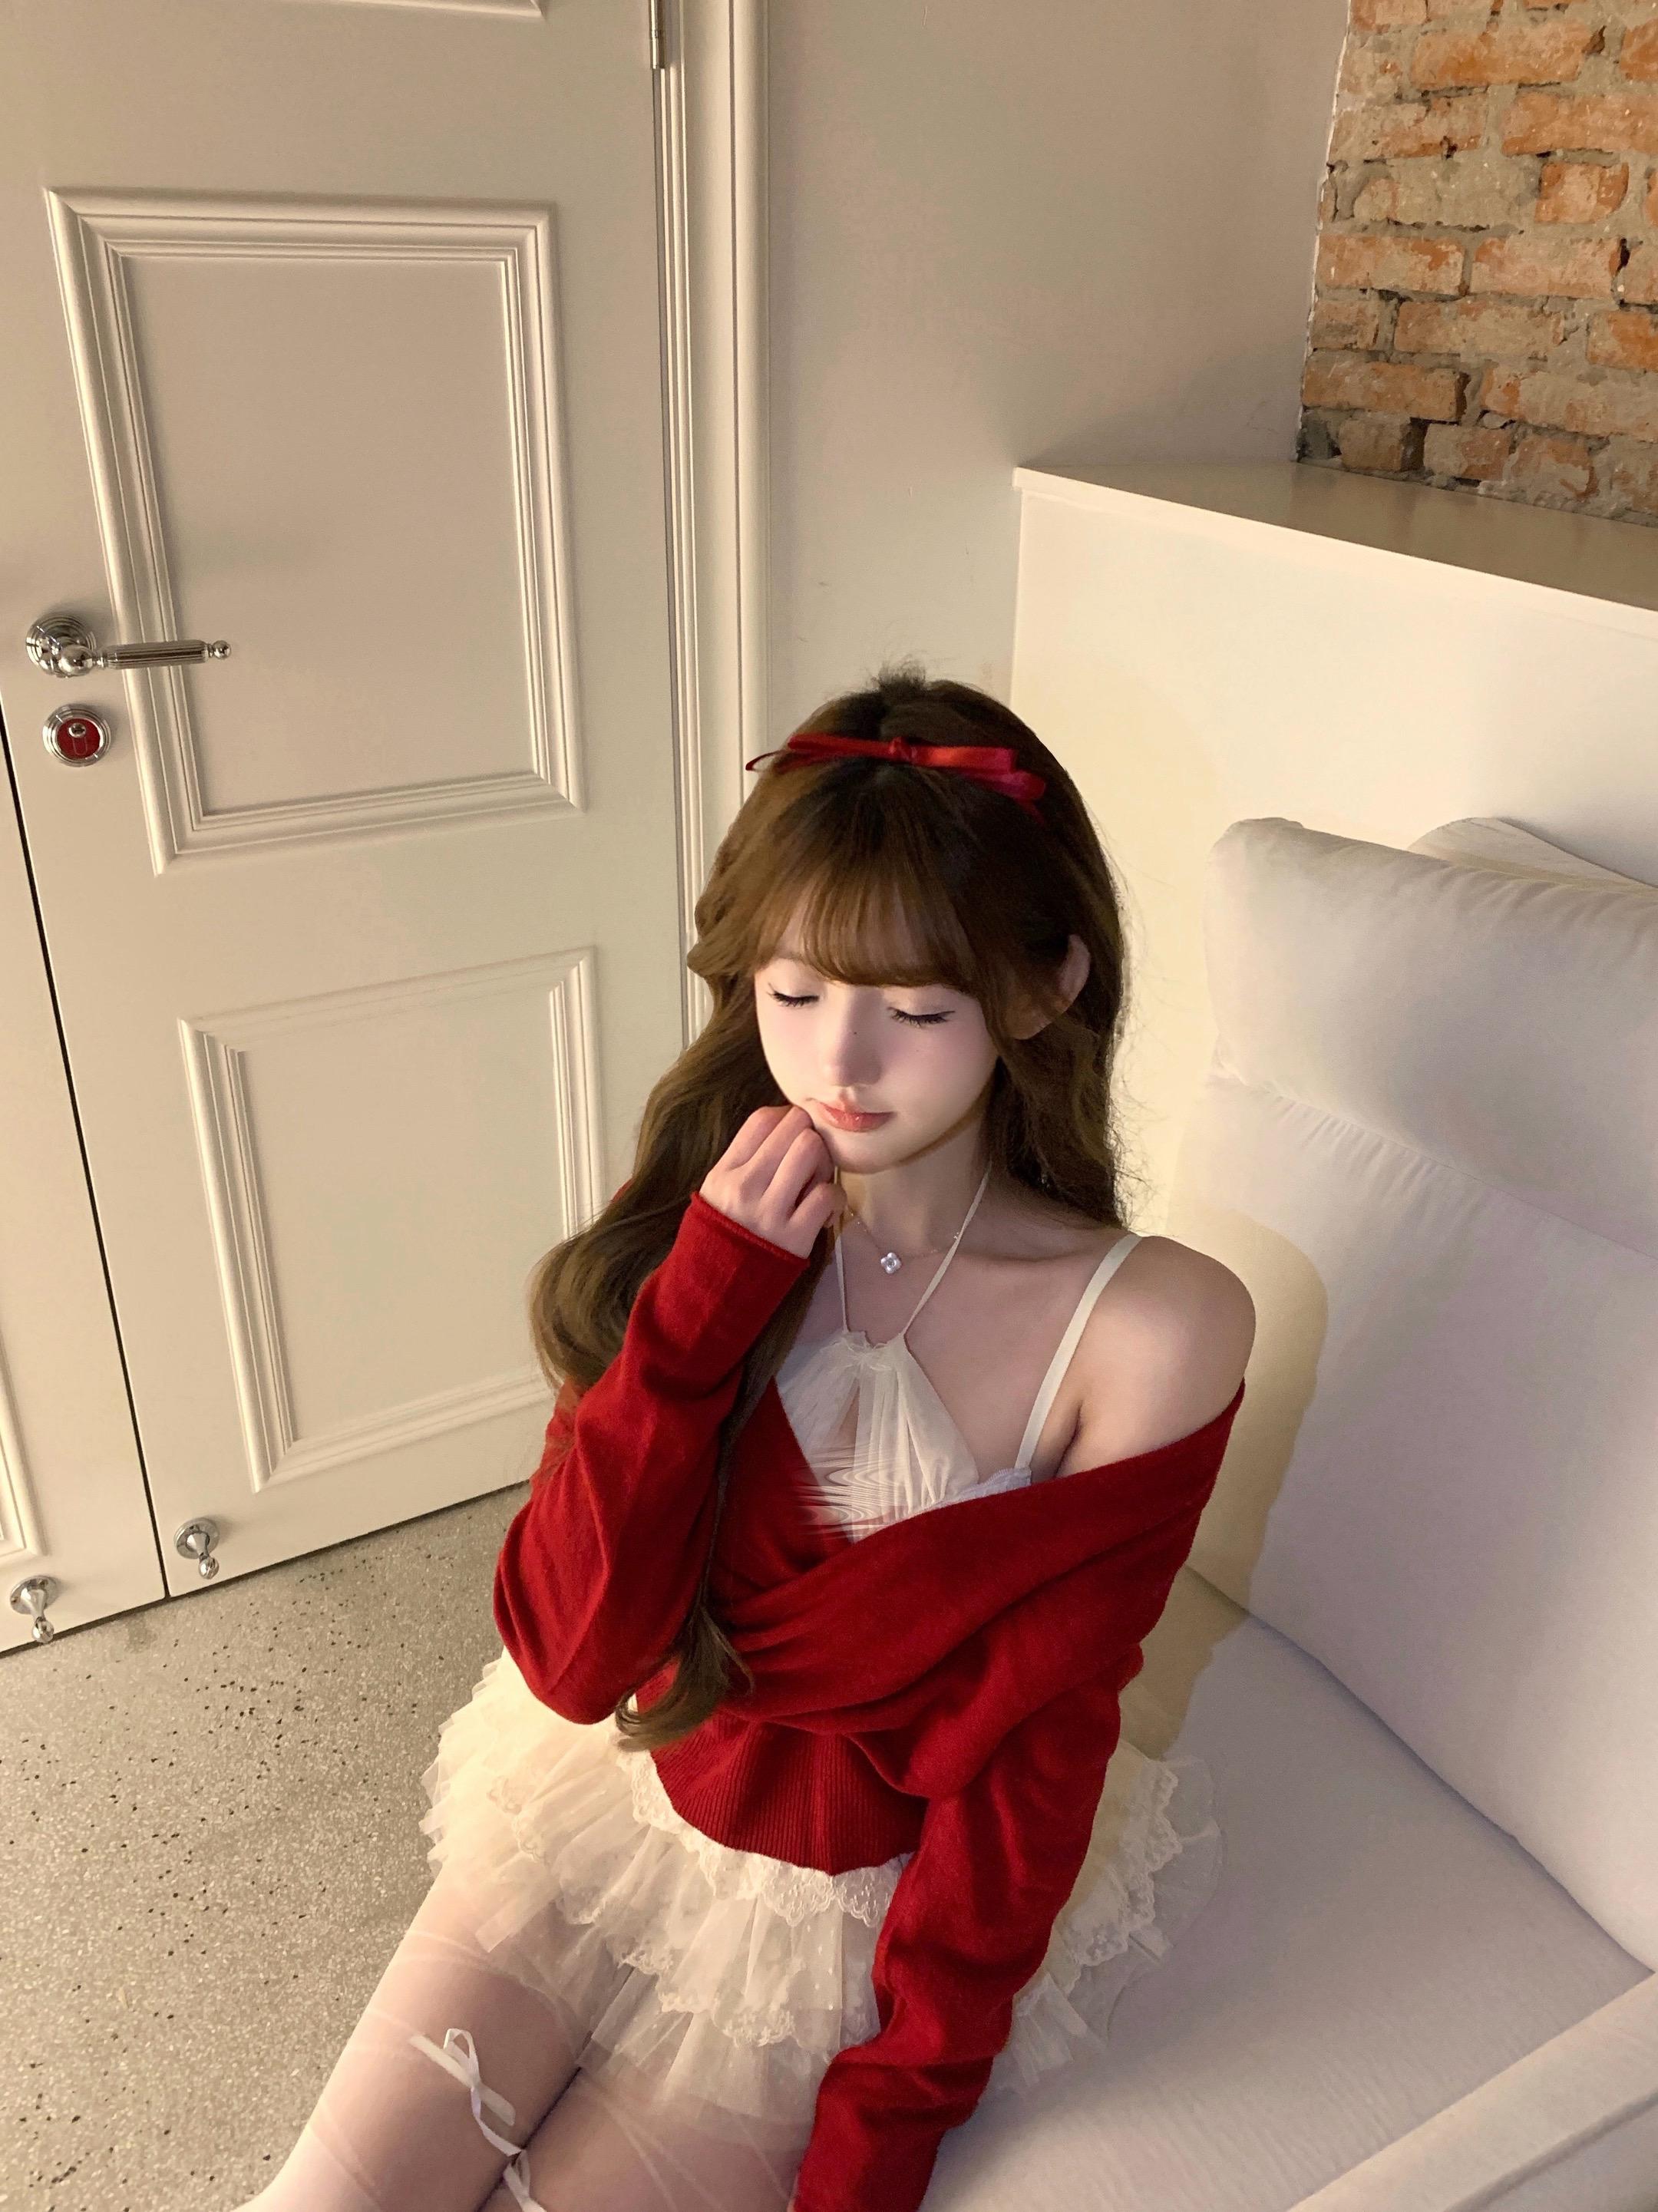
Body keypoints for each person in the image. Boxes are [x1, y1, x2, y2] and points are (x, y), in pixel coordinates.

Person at [236, 660, 1253, 2212]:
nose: (841, 1063)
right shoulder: (712, 1213)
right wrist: (701, 1309)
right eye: (795, 993)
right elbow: (574, 1652)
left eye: (916, 1008)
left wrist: (881, 2139)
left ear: (1048, 984)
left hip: (840, 1921)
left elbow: (1029, 1760)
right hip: (616, 1796)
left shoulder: (1149, 1327)